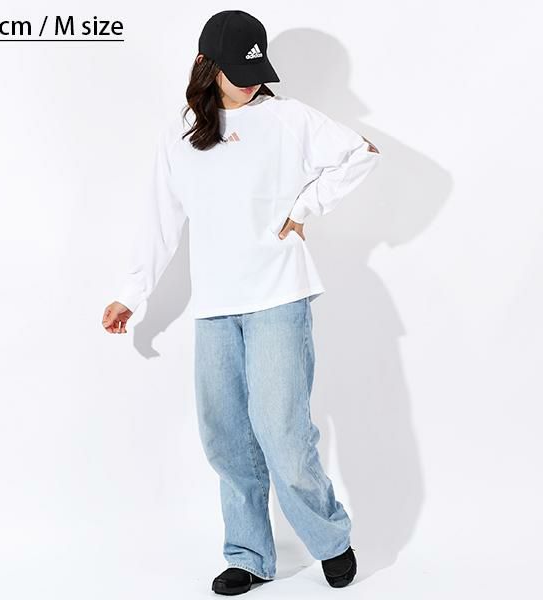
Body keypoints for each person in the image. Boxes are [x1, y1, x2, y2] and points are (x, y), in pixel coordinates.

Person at [102, 9, 381, 595]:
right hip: (215, 306)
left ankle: (331, 540)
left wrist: (303, 209)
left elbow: (362, 152)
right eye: (238, 72)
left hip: (279, 294)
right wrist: (132, 293)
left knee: (282, 432)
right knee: (226, 437)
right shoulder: (181, 134)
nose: (251, 83)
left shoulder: (288, 118)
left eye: (257, 72)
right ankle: (249, 555)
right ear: (205, 65)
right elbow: (160, 220)